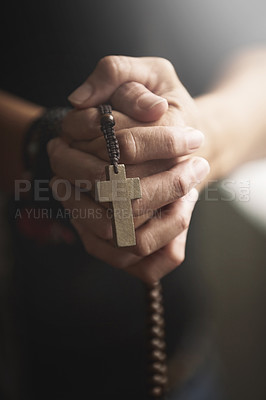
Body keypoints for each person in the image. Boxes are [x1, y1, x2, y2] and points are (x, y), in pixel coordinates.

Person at [1, 2, 266, 399]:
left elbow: (256, 58)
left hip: (181, 360)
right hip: (31, 355)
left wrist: (194, 136)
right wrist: (45, 144)